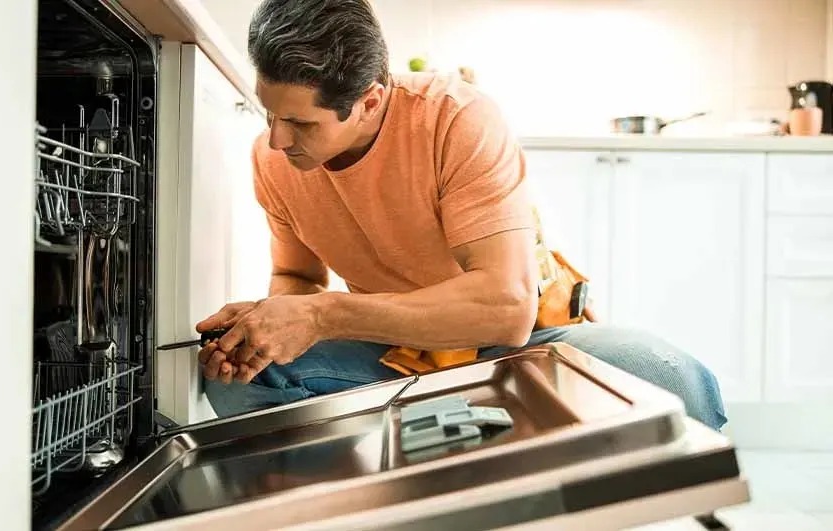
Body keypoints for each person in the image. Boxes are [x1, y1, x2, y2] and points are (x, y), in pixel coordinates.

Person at [194, 0, 727, 430]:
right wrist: (272, 330)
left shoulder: (457, 118)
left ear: (371, 102)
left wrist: (322, 316)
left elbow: (506, 309)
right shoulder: (274, 159)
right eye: (270, 114)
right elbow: (298, 277)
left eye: (300, 123)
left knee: (675, 379)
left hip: (525, 343)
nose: (277, 139)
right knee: (238, 378)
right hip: (395, 349)